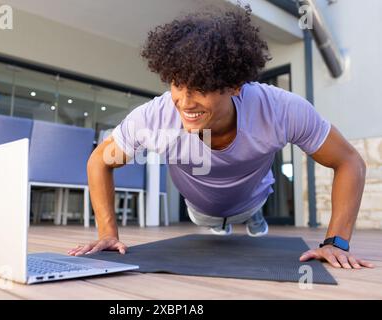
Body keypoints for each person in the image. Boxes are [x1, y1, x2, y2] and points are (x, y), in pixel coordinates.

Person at [68, 5, 374, 269]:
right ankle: (225, 224)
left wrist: (336, 242)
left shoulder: (281, 109)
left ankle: (254, 220)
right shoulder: (153, 117)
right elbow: (99, 161)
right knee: (211, 223)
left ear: (235, 85)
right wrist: (108, 233)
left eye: (200, 88)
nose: (185, 103)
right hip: (200, 211)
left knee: (251, 212)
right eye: (177, 85)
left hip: (254, 200)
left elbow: (349, 162)